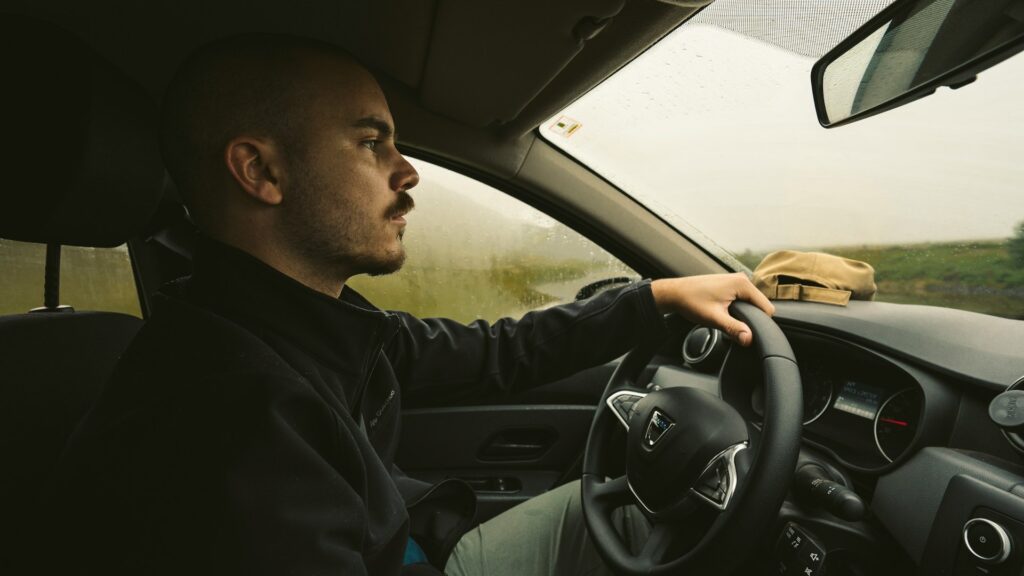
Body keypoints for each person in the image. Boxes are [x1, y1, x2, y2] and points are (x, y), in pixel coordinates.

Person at [47, 34, 775, 576]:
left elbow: (494, 353)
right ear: (260, 170)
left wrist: (655, 297)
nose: (408, 172)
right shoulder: (230, 427)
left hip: (407, 550)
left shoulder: (299, 323)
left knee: (615, 515)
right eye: (372, 142)